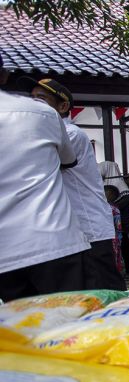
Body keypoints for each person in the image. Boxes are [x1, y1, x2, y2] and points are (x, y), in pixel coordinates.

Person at [20, 76, 126, 291]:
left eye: (41, 99)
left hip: (88, 229)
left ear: (63, 106)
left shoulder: (70, 134)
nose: (33, 105)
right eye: (31, 99)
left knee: (103, 293)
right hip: (70, 231)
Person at [0, 54, 90, 301]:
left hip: (11, 248)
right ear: (5, 75)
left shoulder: (64, 126)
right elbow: (66, 159)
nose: (36, 100)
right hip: (52, 237)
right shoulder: (41, 114)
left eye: (42, 97)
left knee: (19, 331)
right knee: (67, 324)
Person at [100, 160, 129, 279]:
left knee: (125, 248)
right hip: (115, 226)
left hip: (123, 225)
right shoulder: (108, 183)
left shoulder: (119, 185)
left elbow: (126, 201)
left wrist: (111, 206)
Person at [104, 185, 125, 276]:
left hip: (110, 238)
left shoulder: (112, 209)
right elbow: (119, 227)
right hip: (111, 237)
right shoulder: (113, 209)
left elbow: (118, 227)